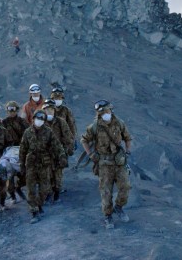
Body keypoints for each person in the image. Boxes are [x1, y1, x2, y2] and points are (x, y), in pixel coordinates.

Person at [81, 100, 132, 229]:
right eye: (102, 112)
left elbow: (127, 137)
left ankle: (119, 207)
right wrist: (91, 154)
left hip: (119, 162)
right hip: (104, 164)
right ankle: (108, 216)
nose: (106, 114)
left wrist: (128, 151)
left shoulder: (119, 123)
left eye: (107, 111)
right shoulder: (94, 126)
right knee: (106, 192)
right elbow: (84, 140)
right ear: (99, 113)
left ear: (111, 110)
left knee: (125, 186)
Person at [19, 109, 67, 223]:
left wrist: (62, 156)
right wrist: (21, 164)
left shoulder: (48, 132)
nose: (39, 121)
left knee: (45, 189)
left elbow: (57, 145)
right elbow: (22, 149)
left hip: (44, 164)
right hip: (31, 163)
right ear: (33, 118)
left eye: (42, 119)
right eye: (37, 118)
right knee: (31, 189)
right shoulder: (27, 132)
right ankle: (34, 211)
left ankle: (39, 204)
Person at [42, 98, 74, 202]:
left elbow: (68, 136)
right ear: (44, 110)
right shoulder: (41, 122)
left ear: (54, 110)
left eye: (51, 109)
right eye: (47, 109)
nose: (49, 111)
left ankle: (56, 193)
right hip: (46, 153)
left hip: (59, 152)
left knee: (57, 175)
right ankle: (48, 193)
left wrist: (69, 149)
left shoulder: (61, 122)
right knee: (47, 175)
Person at [2, 101, 28, 202]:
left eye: (13, 110)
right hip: (9, 151)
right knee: (10, 175)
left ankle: (18, 188)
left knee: (24, 173)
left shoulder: (22, 122)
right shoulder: (3, 123)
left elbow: (28, 135)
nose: (12, 112)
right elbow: (1, 137)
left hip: (21, 150)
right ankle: (12, 195)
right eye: (9, 110)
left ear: (17, 110)